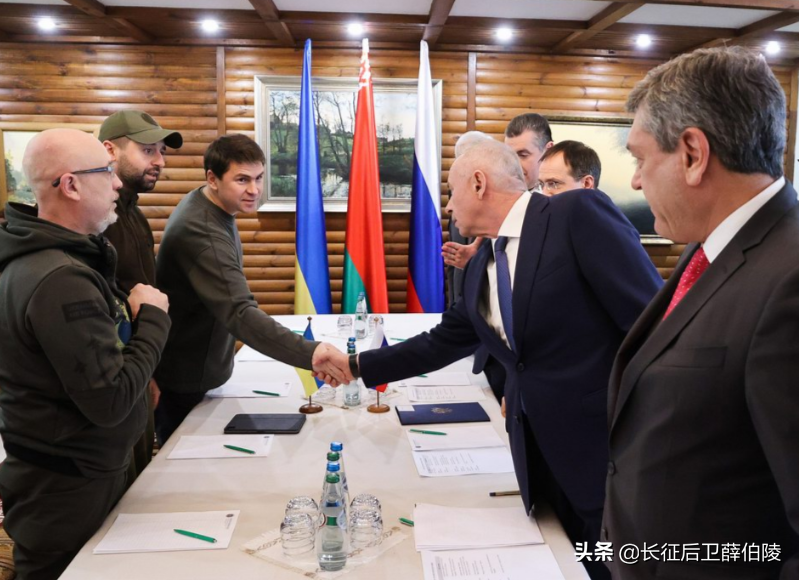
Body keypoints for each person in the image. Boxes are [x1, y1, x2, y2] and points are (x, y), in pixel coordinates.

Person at [324, 139, 662, 580]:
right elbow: (444, 341)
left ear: (479, 183)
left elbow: (649, 325)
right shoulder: (483, 261)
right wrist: (357, 367)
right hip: (537, 457)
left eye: (452, 192)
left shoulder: (574, 214)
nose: (448, 206)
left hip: (605, 453)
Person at [604, 47, 799, 579]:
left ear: (692, 153)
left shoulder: (789, 277)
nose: (637, 181)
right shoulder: (710, 247)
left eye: (640, 159)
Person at [0, 129, 171, 580]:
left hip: (74, 474)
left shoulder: (61, 258)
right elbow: (111, 400)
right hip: (67, 489)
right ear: (71, 185)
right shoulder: (59, 278)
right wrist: (153, 319)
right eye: (107, 172)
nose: (117, 183)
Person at [153, 134, 346, 444]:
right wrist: (311, 353)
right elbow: (239, 312)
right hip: (185, 380)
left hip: (198, 367)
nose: (254, 190)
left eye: (259, 178)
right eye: (242, 179)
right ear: (212, 179)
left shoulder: (208, 203)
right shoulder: (202, 231)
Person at [99, 109, 183, 484]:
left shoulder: (134, 214)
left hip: (139, 371)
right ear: (109, 151)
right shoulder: (95, 220)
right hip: (111, 384)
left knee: (138, 482)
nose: (160, 161)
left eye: (161, 151)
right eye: (148, 150)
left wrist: (149, 372)